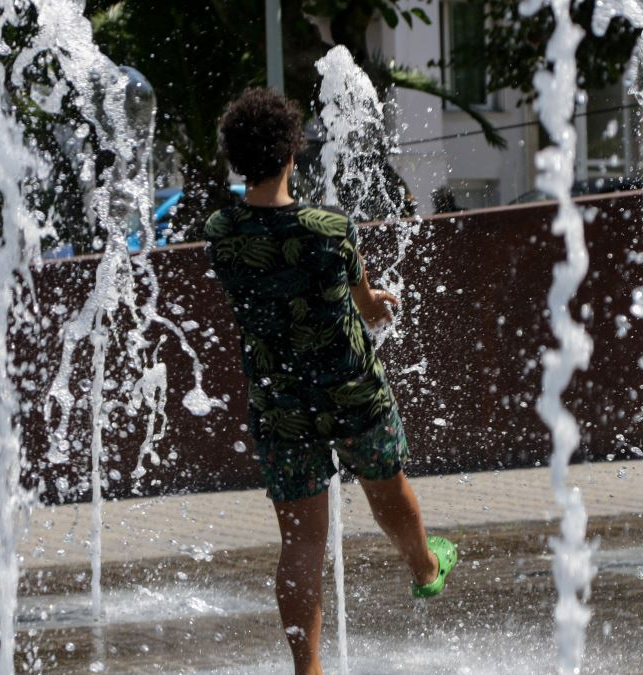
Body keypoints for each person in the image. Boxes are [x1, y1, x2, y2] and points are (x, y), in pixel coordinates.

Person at [201, 87, 458, 675]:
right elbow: (366, 305)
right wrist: (379, 305)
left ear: (238, 159)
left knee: (301, 542)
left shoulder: (221, 230)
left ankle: (309, 670)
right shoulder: (328, 227)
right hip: (351, 391)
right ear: (293, 150)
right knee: (386, 486)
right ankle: (423, 568)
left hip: (280, 400)